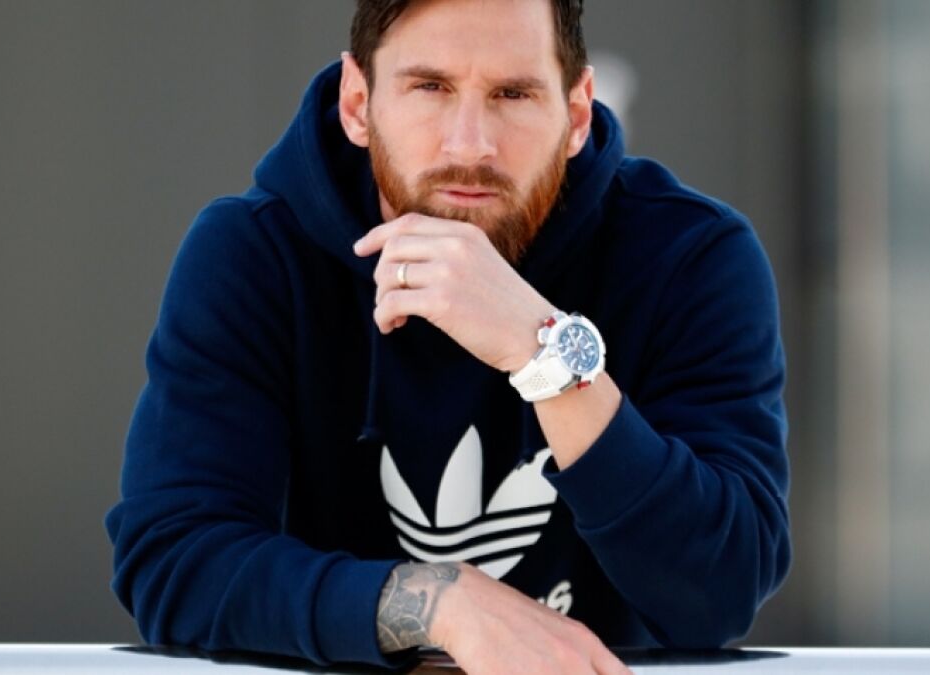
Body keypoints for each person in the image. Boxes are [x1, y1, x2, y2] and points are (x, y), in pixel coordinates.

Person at [105, 0, 791, 672]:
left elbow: (721, 591)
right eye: (430, 87)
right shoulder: (254, 255)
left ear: (577, 115)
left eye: (513, 94)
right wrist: (439, 603)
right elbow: (174, 560)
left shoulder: (689, 256)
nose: (470, 145)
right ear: (357, 104)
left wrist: (543, 350)